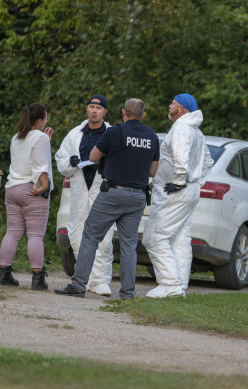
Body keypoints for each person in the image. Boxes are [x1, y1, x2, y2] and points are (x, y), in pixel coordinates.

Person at [55, 98, 159, 300]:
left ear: (123, 112)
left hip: (113, 192)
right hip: (138, 195)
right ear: (142, 115)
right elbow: (153, 170)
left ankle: (78, 285)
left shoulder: (114, 132)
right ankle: (128, 293)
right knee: (129, 245)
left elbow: (93, 157)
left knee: (90, 236)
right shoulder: (152, 136)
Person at [142, 93, 214, 298]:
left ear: (181, 108)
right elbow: (207, 163)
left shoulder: (182, 128)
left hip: (175, 190)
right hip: (187, 191)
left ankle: (169, 284)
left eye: (172, 104)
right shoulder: (197, 132)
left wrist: (180, 181)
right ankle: (179, 286)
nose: (169, 106)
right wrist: (194, 183)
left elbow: (180, 155)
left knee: (155, 237)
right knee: (180, 239)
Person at [54, 95, 115, 296]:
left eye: (98, 107)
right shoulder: (74, 134)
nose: (94, 110)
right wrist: (71, 163)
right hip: (80, 188)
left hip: (102, 188)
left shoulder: (112, 133)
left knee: (104, 236)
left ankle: (101, 280)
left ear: (105, 111)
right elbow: (60, 159)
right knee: (77, 231)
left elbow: (120, 160)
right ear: (87, 109)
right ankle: (84, 277)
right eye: (91, 106)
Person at [0, 103, 54, 290]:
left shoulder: (16, 137)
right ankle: (38, 278)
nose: (46, 121)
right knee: (35, 235)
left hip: (12, 189)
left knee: (12, 232)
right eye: (45, 118)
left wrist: (45, 138)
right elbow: (39, 164)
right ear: (39, 120)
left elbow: (28, 154)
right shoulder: (40, 138)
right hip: (32, 190)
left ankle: (4, 274)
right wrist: (44, 184)